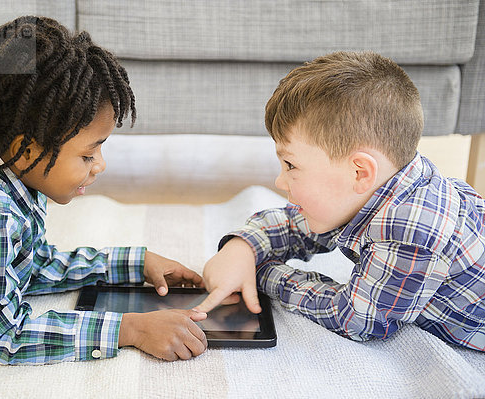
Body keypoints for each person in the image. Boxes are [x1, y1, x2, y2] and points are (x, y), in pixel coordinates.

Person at [0, 16, 208, 364]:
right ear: (26, 151)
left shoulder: (9, 166)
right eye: (88, 154)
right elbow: (2, 335)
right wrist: (130, 329)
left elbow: (28, 264)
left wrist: (130, 263)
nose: (100, 165)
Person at [195, 51, 485, 351]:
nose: (279, 182)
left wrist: (262, 272)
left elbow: (355, 318)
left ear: (360, 171)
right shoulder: (374, 185)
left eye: (291, 166)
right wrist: (243, 247)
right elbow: (296, 225)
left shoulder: (412, 231)